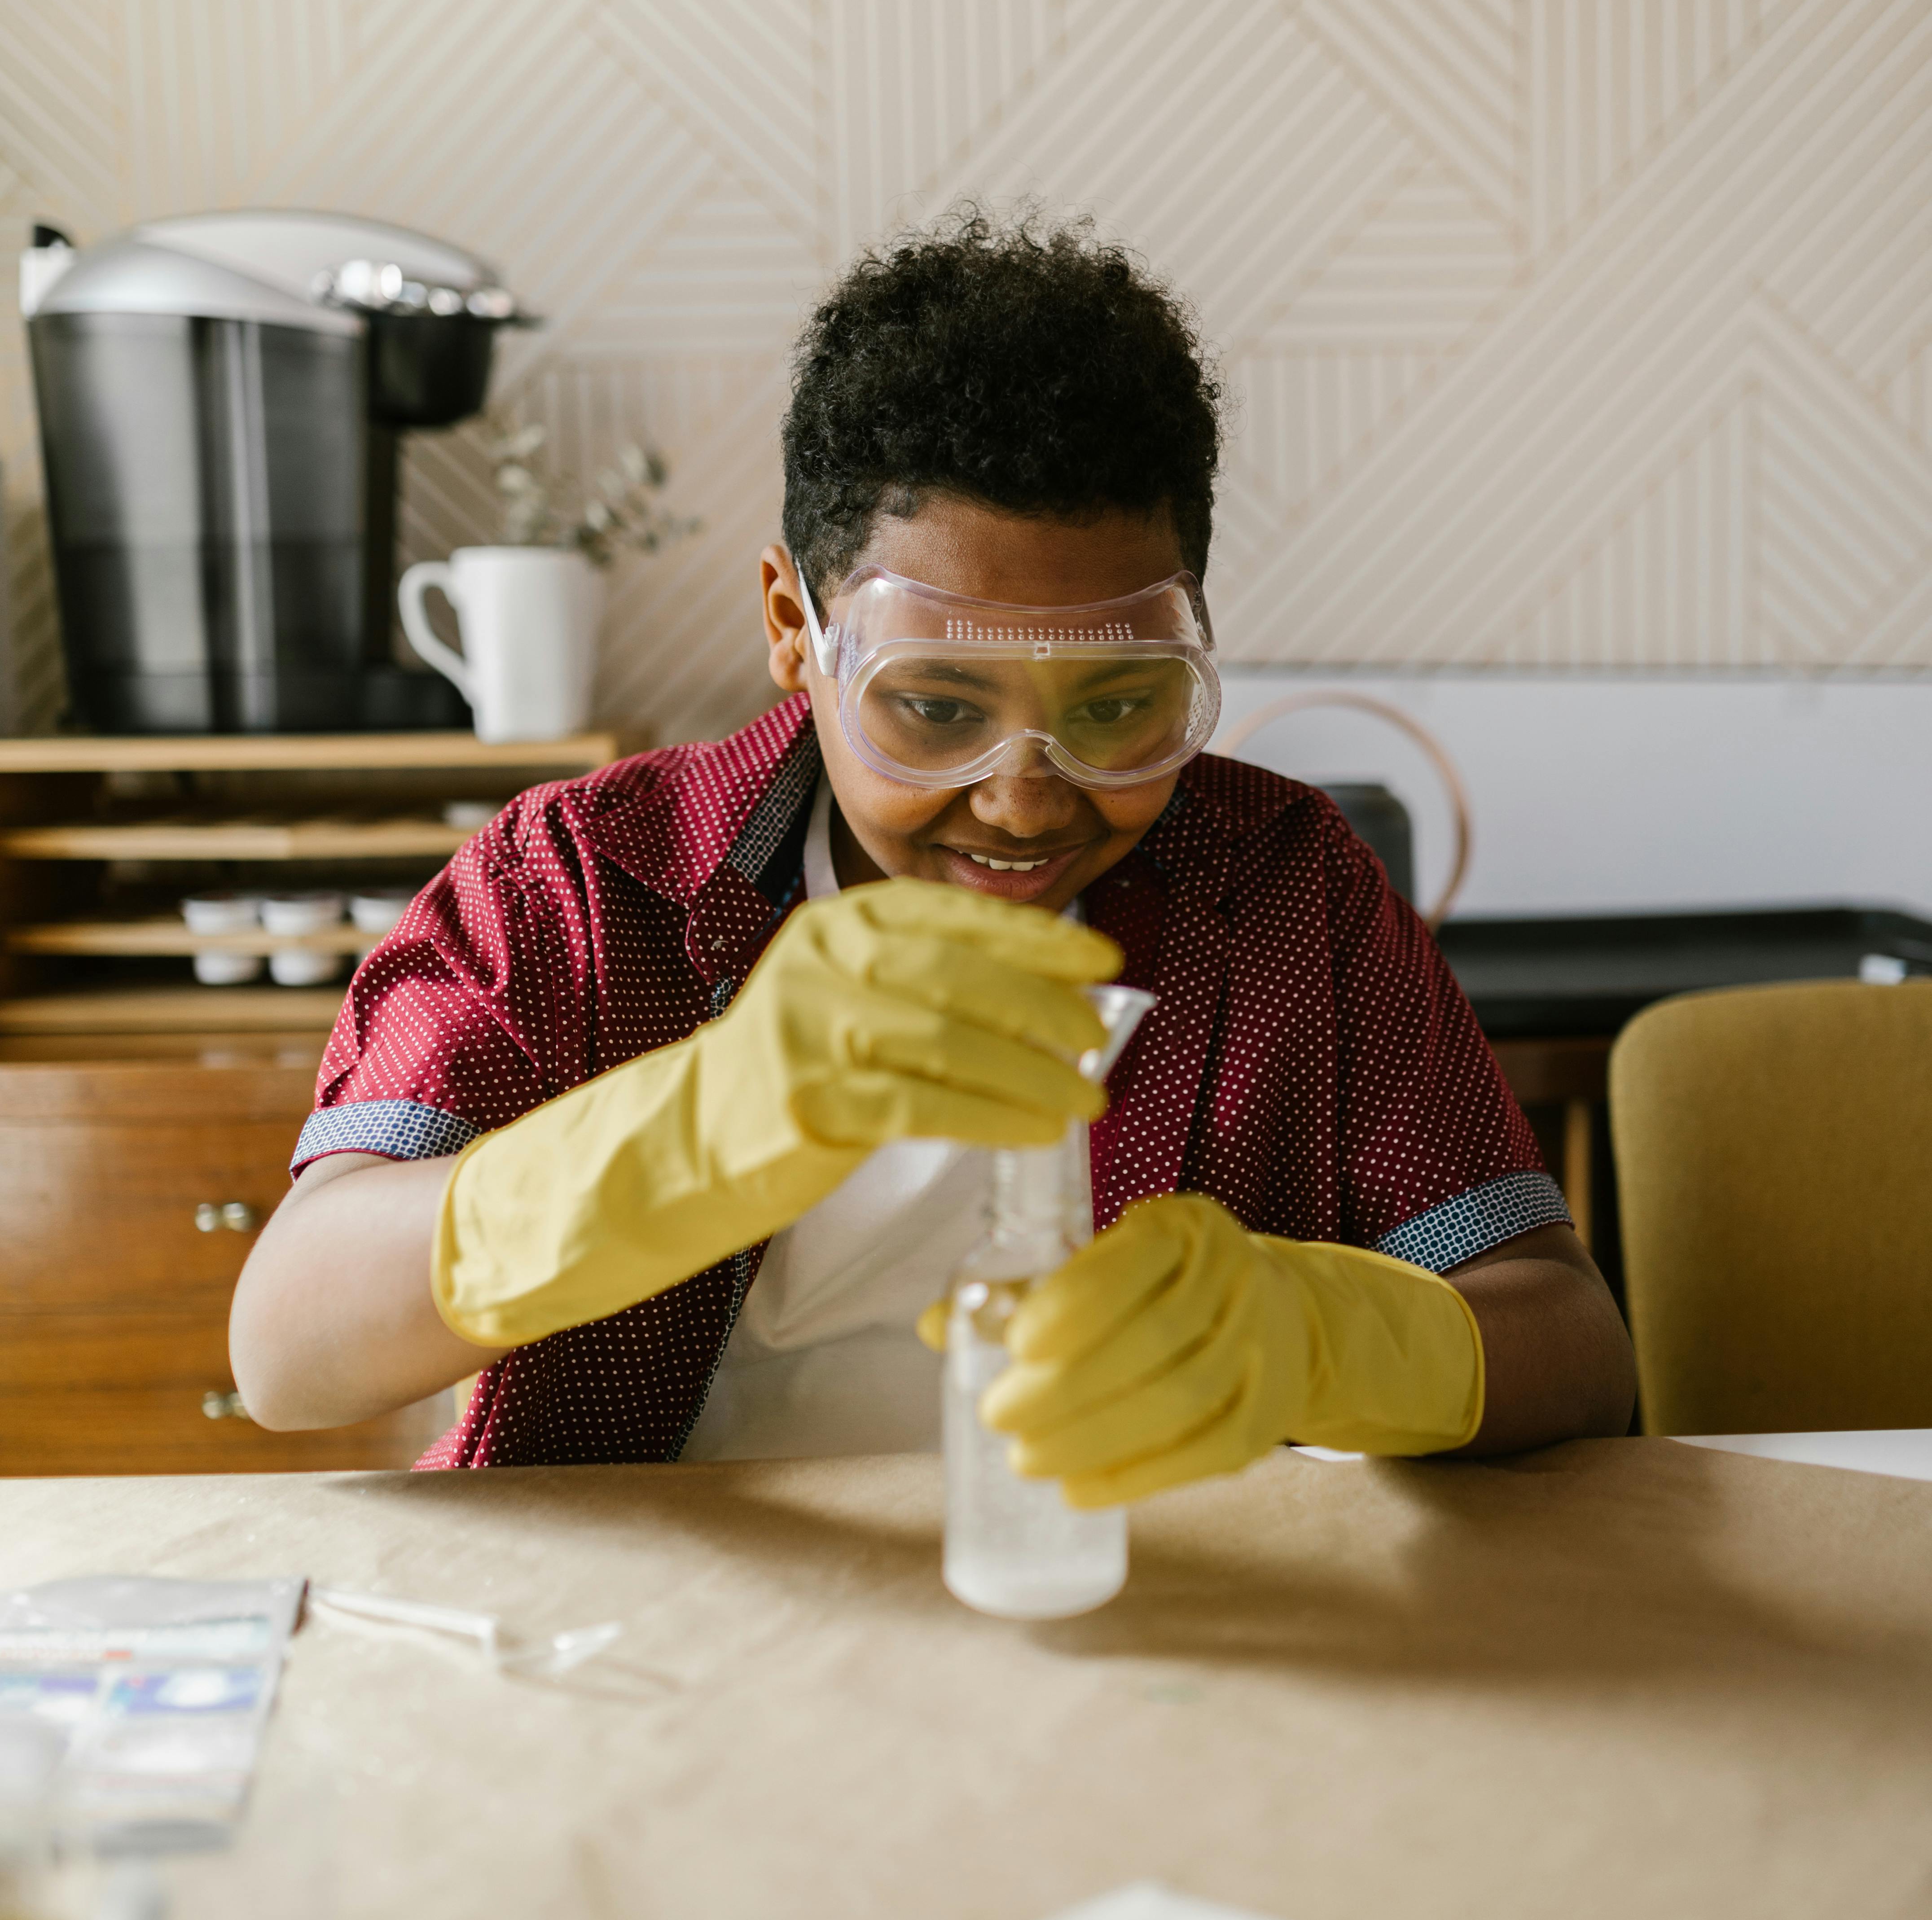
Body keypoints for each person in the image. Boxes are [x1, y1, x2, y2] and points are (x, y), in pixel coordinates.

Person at [231, 211, 1635, 1483]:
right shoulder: (586, 886)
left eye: (1119, 708)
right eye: (936, 707)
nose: (1024, 802)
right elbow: (289, 1353)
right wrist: (685, 1131)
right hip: (667, 1648)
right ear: (795, 626)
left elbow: (1574, 1341)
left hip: (1141, 1626)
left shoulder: (1281, 888)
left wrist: (1319, 1339)